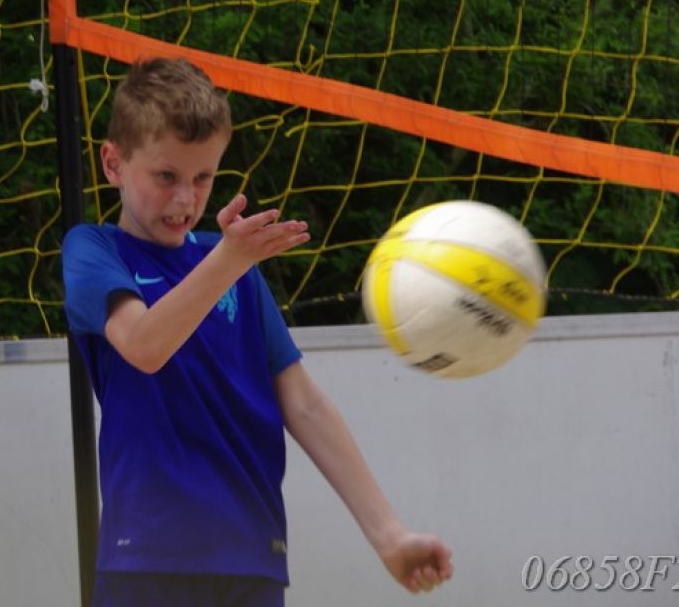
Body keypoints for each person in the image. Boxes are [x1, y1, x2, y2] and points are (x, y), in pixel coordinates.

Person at [62, 56, 453, 606]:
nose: (185, 199)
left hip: (251, 553)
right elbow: (143, 346)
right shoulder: (95, 248)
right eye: (166, 176)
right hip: (148, 554)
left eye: (203, 178)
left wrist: (389, 535)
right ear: (113, 163)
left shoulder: (233, 264)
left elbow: (304, 404)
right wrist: (229, 261)